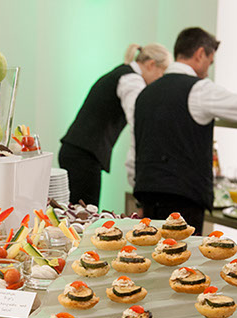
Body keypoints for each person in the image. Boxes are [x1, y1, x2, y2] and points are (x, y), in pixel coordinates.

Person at [133, 27, 237, 234]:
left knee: (154, 251)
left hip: (147, 194)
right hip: (183, 199)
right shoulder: (199, 90)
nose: (207, 71)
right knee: (183, 254)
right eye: (210, 63)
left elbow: (137, 148)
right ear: (200, 54)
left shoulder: (145, 94)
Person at [59, 43, 171, 206]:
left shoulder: (123, 73)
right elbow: (139, 122)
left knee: (77, 212)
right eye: (161, 75)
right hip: (84, 156)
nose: (159, 81)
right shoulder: (131, 80)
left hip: (77, 152)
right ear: (151, 64)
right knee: (85, 214)